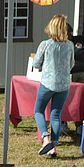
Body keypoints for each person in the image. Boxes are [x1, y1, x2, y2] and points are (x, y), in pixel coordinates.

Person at [32, 14, 74, 158]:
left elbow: (36, 63)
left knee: (38, 110)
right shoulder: (70, 45)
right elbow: (72, 64)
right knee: (56, 115)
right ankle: (53, 147)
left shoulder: (46, 44)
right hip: (64, 84)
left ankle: (45, 138)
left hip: (48, 83)